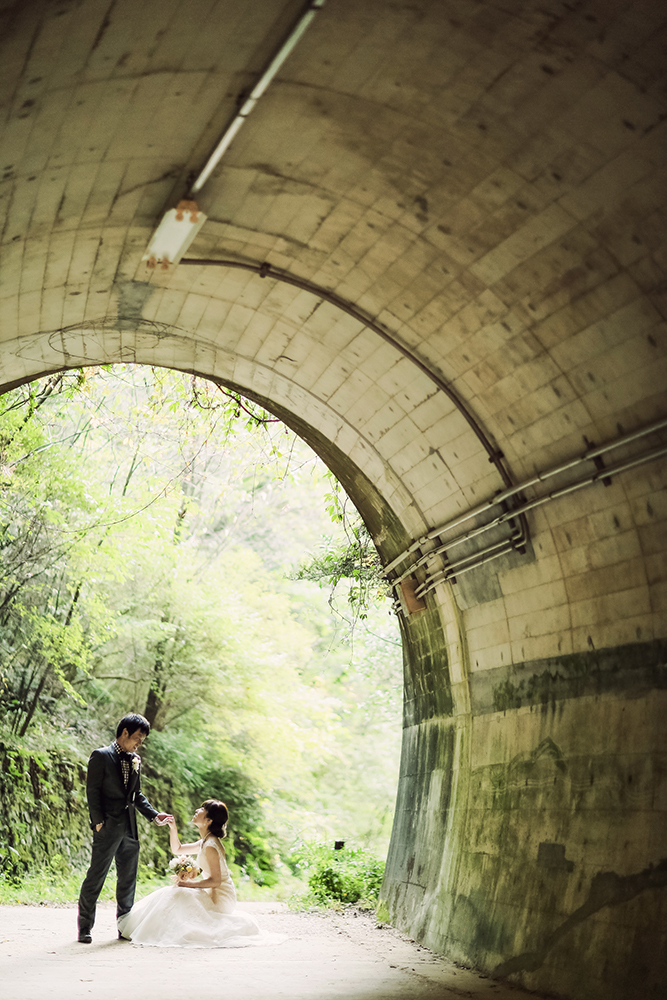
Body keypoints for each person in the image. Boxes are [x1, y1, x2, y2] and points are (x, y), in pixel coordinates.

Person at [117, 798, 283, 948]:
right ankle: (153, 929)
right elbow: (178, 849)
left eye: (202, 809)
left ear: (208, 820)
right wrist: (172, 827)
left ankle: (156, 930)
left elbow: (216, 881)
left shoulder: (211, 845)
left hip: (220, 897)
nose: (197, 810)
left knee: (178, 892)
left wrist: (187, 884)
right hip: (210, 892)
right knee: (173, 892)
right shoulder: (206, 841)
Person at [77, 713, 171, 943]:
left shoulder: (135, 760)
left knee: (128, 879)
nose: (140, 743)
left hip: (130, 828)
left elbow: (136, 795)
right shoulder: (101, 756)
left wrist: (154, 815)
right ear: (125, 732)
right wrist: (98, 822)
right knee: (96, 876)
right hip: (107, 826)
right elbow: (93, 791)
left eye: (143, 740)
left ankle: (124, 927)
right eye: (138, 737)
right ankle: (85, 928)